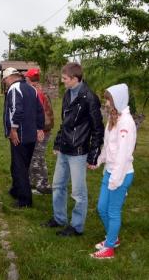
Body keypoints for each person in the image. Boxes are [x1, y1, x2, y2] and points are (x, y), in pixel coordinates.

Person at [42, 63, 104, 236]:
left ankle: (76, 227)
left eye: (65, 79)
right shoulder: (67, 94)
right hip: (64, 148)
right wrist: (57, 143)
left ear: (75, 79)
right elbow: (65, 122)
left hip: (78, 151)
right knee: (58, 185)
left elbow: (98, 129)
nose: (62, 82)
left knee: (78, 192)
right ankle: (59, 218)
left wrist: (93, 156)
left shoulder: (90, 98)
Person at [89, 84, 136, 259]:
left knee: (113, 211)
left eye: (108, 99)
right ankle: (112, 238)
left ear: (118, 100)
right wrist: (99, 161)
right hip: (110, 171)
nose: (106, 102)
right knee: (102, 208)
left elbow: (123, 155)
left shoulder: (126, 123)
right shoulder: (114, 118)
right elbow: (108, 146)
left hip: (121, 174)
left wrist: (115, 180)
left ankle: (109, 248)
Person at [3, 67, 45, 208]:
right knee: (22, 164)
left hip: (19, 135)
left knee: (19, 166)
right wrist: (39, 128)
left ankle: (24, 200)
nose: (5, 82)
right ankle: (16, 190)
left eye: (5, 80)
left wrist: (13, 129)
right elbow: (40, 110)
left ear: (10, 77)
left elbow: (16, 109)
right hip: (30, 134)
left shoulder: (14, 89)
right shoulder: (31, 89)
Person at [24, 68, 54, 194]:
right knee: (34, 157)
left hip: (41, 130)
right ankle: (31, 182)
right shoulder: (39, 90)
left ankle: (43, 185)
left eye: (26, 78)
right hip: (43, 128)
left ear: (29, 79)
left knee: (37, 157)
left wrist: (38, 129)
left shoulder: (36, 92)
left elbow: (39, 114)